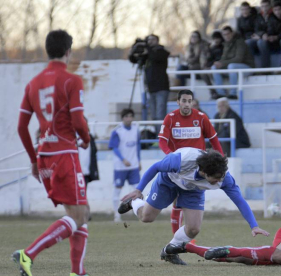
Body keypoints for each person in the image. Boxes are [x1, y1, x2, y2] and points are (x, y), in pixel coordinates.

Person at [15, 29, 90, 276]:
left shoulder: (33, 83)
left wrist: (33, 160)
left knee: (78, 213)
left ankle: (77, 272)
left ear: (48, 50)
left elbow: (21, 126)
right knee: (80, 214)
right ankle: (29, 254)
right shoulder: (72, 80)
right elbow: (78, 122)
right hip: (65, 153)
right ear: (68, 52)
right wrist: (86, 138)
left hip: (45, 156)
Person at [117, 148, 269, 265]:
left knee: (194, 229)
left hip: (193, 190)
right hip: (169, 181)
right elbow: (156, 167)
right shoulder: (182, 160)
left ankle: (169, 251)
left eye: (220, 178)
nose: (218, 181)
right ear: (203, 172)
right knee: (146, 217)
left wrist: (254, 225)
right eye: (215, 179)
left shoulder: (225, 178)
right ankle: (134, 203)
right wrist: (139, 190)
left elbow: (239, 200)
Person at [158, 90, 224, 234]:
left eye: (189, 101)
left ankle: (187, 235)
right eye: (184, 101)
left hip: (199, 167)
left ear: (192, 102)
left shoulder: (201, 118)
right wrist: (171, 156)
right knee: (176, 201)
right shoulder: (170, 118)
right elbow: (162, 142)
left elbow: (214, 140)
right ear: (178, 102)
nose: (187, 104)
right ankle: (176, 237)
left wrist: (221, 158)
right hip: (179, 166)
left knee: (192, 202)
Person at [108, 108, 141, 222]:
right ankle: (116, 216)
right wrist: (123, 160)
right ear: (122, 118)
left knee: (137, 190)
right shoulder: (117, 131)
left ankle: (139, 213)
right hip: (120, 167)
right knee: (117, 190)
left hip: (133, 166)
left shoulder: (136, 130)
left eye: (130, 116)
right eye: (126, 116)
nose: (128, 118)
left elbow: (138, 147)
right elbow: (114, 147)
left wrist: (139, 161)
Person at [211, 26, 255, 100]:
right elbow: (223, 59)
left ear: (232, 33)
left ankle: (233, 93)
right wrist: (218, 63)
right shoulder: (226, 44)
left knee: (232, 66)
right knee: (214, 68)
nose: (227, 36)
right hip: (233, 68)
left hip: (247, 67)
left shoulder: (240, 42)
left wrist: (223, 63)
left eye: (228, 34)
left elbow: (238, 59)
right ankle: (221, 93)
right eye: (224, 34)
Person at [142, 34, 170, 124]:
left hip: (161, 88)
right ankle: (156, 134)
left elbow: (155, 57)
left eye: (152, 39)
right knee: (153, 115)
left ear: (157, 41)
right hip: (151, 88)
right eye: (148, 40)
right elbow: (134, 59)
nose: (150, 41)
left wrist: (147, 48)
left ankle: (161, 136)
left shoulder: (161, 52)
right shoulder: (147, 54)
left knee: (160, 114)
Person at [246, 0, 273, 68]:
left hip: (271, 38)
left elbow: (273, 28)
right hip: (260, 37)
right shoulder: (258, 16)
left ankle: (265, 68)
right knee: (248, 42)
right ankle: (251, 67)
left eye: (266, 6)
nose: (264, 8)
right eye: (263, 6)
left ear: (270, 6)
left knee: (261, 43)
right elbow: (257, 29)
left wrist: (264, 35)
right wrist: (262, 35)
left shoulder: (274, 15)